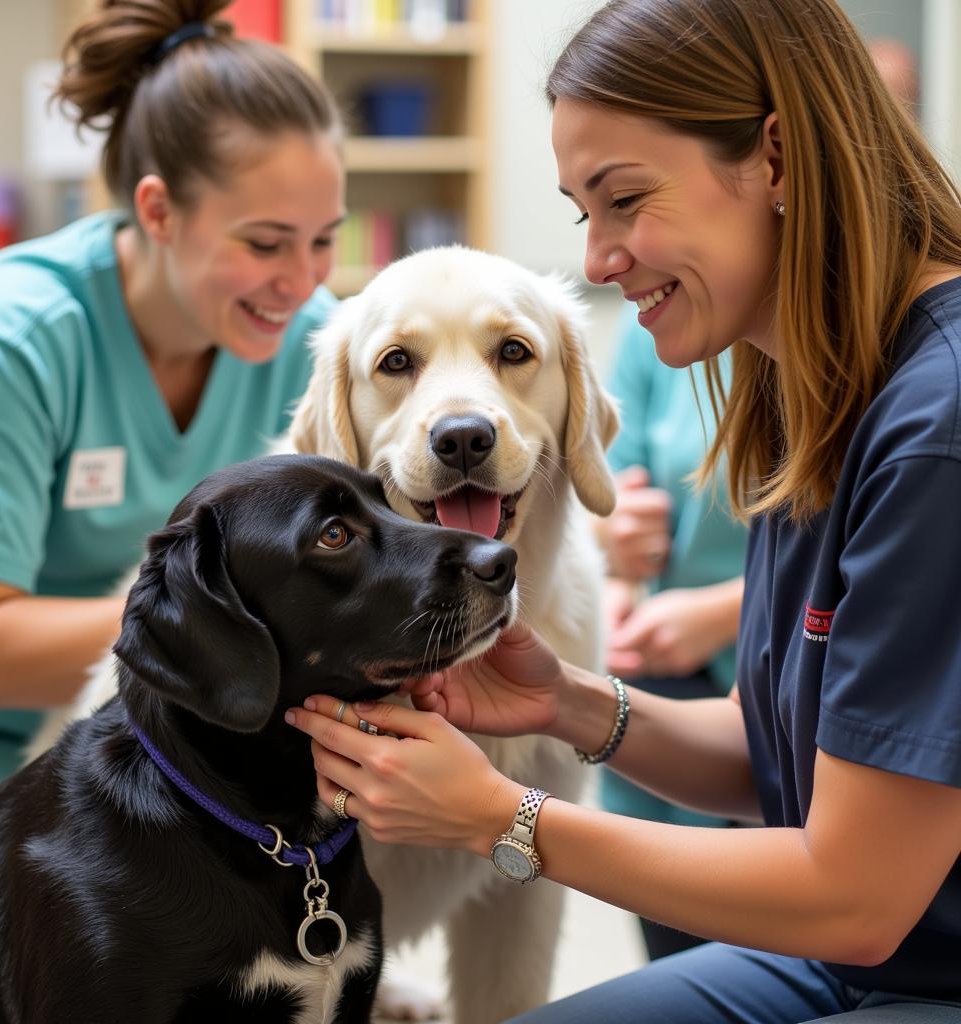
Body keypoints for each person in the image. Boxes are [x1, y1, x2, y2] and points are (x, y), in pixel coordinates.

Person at [287, 1, 961, 1019]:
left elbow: (856, 895)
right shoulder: (811, 386)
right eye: (580, 213)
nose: (599, 260)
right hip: (858, 954)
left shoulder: (935, 427)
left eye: (624, 199)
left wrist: (502, 816)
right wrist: (568, 701)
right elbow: (786, 754)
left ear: (773, 157)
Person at [0, 0, 344, 827]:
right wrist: (219, 624)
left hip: (192, 742)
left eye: (323, 239)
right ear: (158, 211)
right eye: (265, 244)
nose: (301, 281)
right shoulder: (9, 337)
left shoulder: (311, 337)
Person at [596, 312, 746, 960]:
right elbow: (606, 491)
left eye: (628, 202)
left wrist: (726, 613)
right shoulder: (652, 328)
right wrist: (611, 549)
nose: (601, 261)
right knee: (674, 953)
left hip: (780, 685)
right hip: (660, 675)